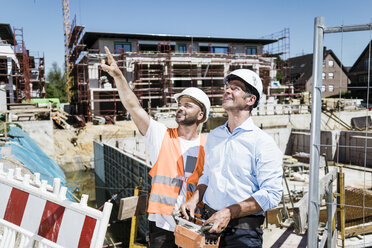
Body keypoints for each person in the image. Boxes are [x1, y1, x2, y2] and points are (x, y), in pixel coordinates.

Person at [100, 46, 211, 248]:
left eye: (188, 105)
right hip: (161, 228)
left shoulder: (208, 146)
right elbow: (133, 106)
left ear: (201, 115)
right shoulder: (160, 135)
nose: (181, 107)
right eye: (180, 103)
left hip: (193, 226)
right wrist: (118, 76)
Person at [180, 69, 283, 248]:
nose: (227, 90)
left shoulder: (263, 142)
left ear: (250, 100)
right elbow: (207, 176)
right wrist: (194, 198)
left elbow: (272, 194)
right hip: (209, 226)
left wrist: (229, 212)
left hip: (243, 234)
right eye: (227, 87)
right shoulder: (214, 136)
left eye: (235, 88)